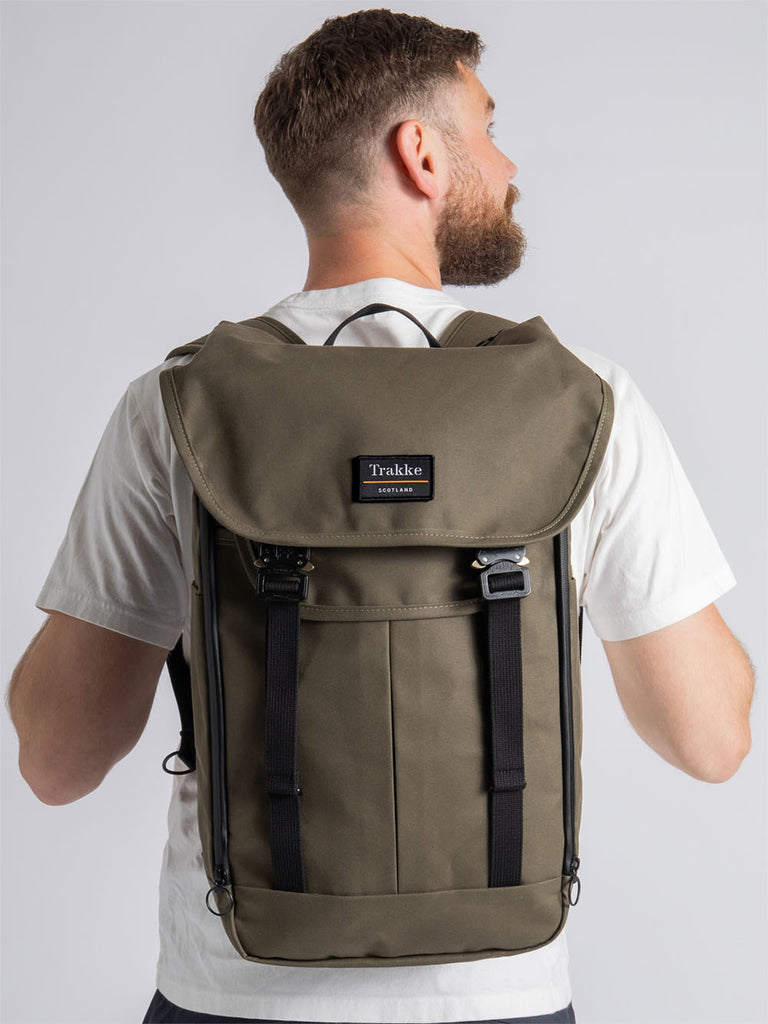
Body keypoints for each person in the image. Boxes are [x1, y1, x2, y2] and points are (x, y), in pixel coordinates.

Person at [7, 9, 754, 1024]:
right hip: (500, 995)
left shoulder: (178, 405)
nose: (508, 162)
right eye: (488, 128)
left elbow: (57, 760)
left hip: (235, 993)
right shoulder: (586, 399)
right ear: (421, 153)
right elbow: (711, 740)